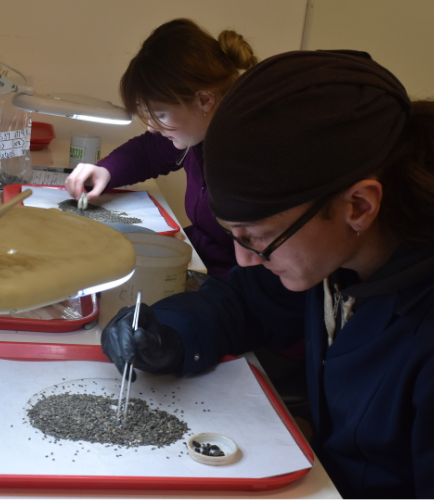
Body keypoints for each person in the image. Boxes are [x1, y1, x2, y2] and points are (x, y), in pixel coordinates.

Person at [100, 49, 434, 498]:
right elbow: (246, 300)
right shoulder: (340, 257)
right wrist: (169, 335)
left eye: (258, 237)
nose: (245, 258)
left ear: (358, 206)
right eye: (233, 236)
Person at [64, 18, 257, 277]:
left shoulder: (250, 159)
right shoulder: (197, 133)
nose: (153, 127)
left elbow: (257, 272)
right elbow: (147, 152)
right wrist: (105, 171)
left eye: (161, 115)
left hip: (238, 291)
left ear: (204, 100)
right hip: (205, 265)